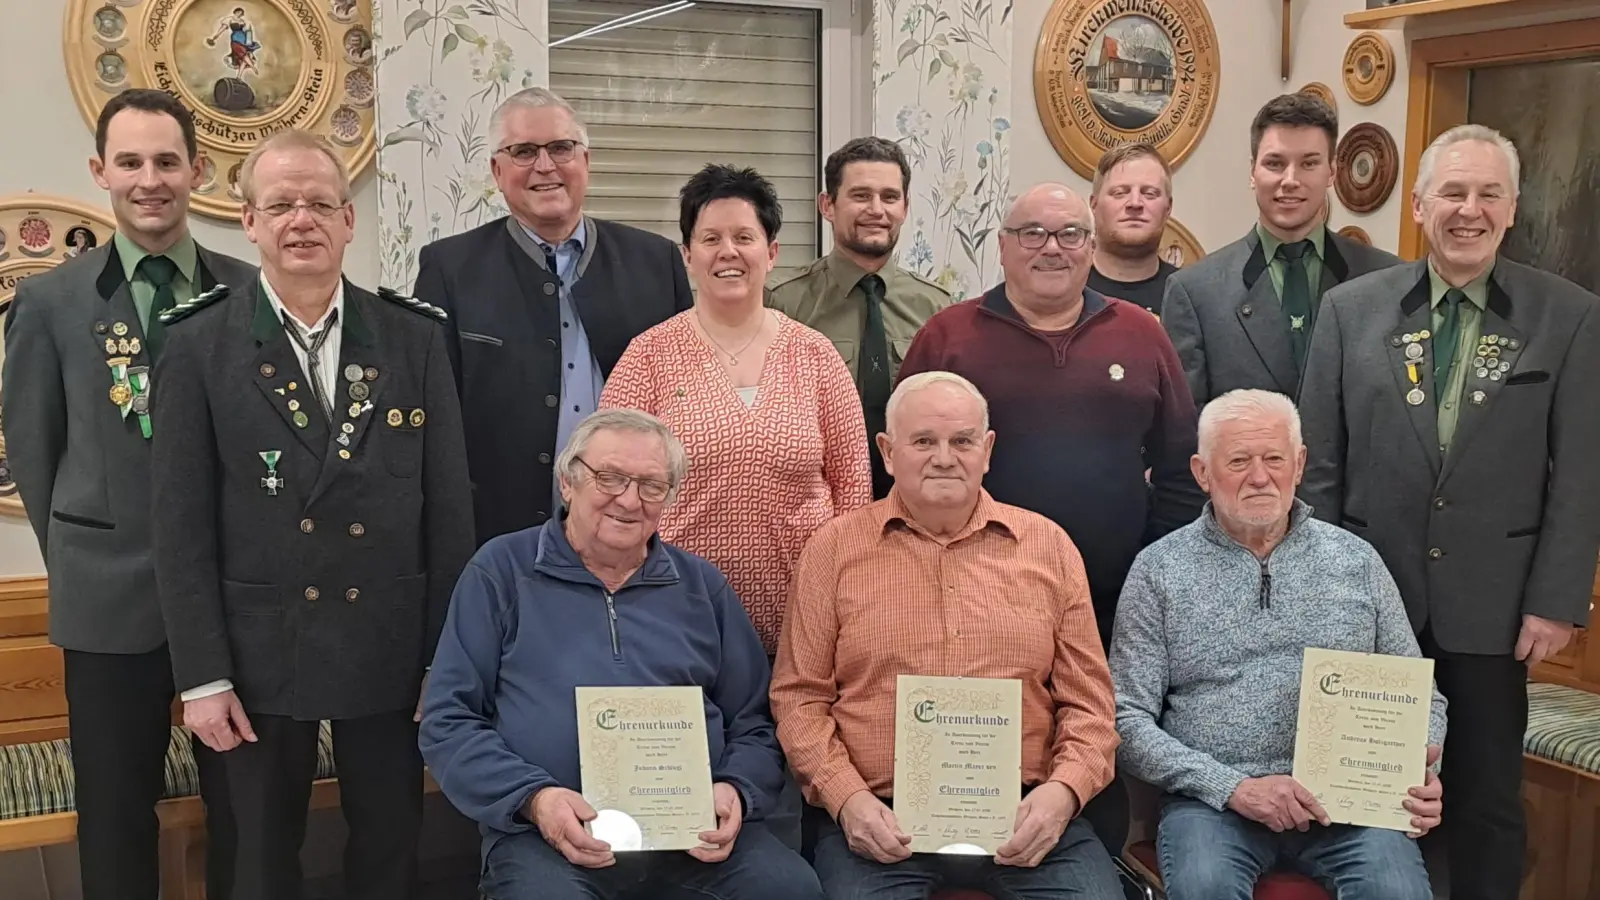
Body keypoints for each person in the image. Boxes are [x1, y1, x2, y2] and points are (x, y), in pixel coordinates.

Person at [149, 129, 475, 900]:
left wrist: (445, 662)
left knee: (391, 850)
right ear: (249, 220)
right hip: (261, 651)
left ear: (348, 221)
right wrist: (202, 678)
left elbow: (450, 513)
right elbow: (180, 528)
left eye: (321, 203)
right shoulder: (198, 345)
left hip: (388, 649)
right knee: (258, 859)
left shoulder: (413, 337)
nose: (303, 219)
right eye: (281, 204)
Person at [1298, 124, 1600, 900]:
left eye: (1487, 194)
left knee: (1487, 802)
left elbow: (1582, 474)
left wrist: (1555, 602)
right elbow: (1320, 464)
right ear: (1421, 203)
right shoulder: (1350, 311)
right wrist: (1320, 591)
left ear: (1512, 208)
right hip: (1371, 601)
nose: (1469, 210)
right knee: (1372, 800)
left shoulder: (1568, 316)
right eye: (1454, 193)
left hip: (1496, 612)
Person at [897, 184, 1205, 858]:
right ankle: (963, 857)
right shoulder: (949, 335)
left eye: (1069, 234)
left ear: (1091, 247)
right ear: (1003, 246)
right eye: (1031, 233)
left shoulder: (1140, 333)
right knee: (991, 746)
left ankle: (1086, 866)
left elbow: (1182, 470)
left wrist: (1152, 577)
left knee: (1096, 748)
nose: (1051, 248)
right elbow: (900, 466)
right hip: (975, 598)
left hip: (1112, 598)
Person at [1, 88, 252, 900]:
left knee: (243, 806)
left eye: (168, 161)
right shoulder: (50, 302)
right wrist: (89, 547)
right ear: (101, 171)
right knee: (114, 811)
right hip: (108, 597)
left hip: (232, 597)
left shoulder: (248, 291)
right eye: (132, 161)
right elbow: (35, 457)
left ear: (197, 170)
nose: (151, 179)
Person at [420, 409, 825, 900]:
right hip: (546, 837)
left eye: (652, 486)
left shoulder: (703, 587)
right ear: (567, 483)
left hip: (692, 838)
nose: (630, 501)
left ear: (669, 499)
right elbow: (449, 717)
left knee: (790, 888)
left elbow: (754, 720)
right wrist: (533, 798)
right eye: (609, 478)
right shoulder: (501, 572)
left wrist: (736, 789)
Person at [771, 371, 1125, 900]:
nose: (944, 457)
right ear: (888, 453)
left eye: (961, 441)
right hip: (880, 822)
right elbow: (799, 699)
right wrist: (848, 801)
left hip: (1026, 815)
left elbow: (1091, 707)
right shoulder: (833, 551)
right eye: (923, 442)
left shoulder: (1049, 547)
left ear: (987, 450)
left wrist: (1063, 794)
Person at [1111, 389, 1446, 900]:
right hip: (1213, 805)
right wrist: (1232, 788)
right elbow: (1125, 717)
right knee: (1206, 888)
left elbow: (1422, 695)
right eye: (1239, 461)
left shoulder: (1357, 562)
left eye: (1274, 459)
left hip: (1349, 804)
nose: (1260, 477)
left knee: (1399, 891)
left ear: (1300, 463)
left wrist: (1421, 769)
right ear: (1203, 472)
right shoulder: (1159, 571)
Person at [598, 163, 872, 656]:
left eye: (744, 237)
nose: (728, 252)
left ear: (771, 254)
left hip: (804, 626)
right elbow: (607, 483)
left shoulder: (815, 355)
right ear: (687, 255)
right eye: (710, 239)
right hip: (671, 619)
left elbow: (853, 489)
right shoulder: (648, 356)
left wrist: (845, 599)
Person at [412, 87, 691, 546]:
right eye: (523, 151)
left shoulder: (656, 263)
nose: (545, 166)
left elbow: (685, 401)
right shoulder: (449, 269)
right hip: (500, 533)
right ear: (498, 172)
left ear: (586, 161)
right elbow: (433, 419)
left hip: (633, 526)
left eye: (561, 148)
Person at [1160, 93, 1400, 408]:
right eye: (1275, 163)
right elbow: (1187, 429)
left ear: (1332, 171)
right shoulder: (1195, 294)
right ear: (1252, 171)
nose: (1290, 180)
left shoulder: (1386, 280)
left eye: (1309, 163)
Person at [768, 136, 954, 498]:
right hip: (815, 502)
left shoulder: (937, 308)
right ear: (828, 205)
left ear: (904, 207)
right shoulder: (782, 303)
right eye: (860, 196)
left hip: (913, 502)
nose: (876, 210)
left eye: (889, 197)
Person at [1086, 142, 1177, 317]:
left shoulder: (1192, 297)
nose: (1135, 203)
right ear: (1094, 205)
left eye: (1149, 193)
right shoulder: (1066, 292)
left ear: (1168, 208)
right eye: (1120, 193)